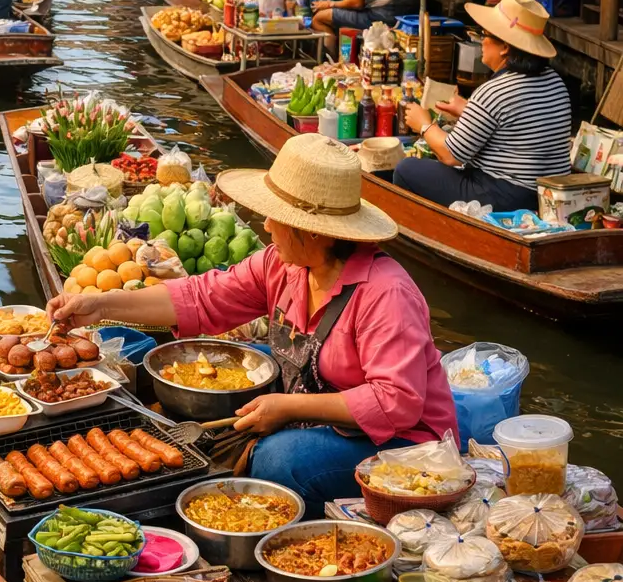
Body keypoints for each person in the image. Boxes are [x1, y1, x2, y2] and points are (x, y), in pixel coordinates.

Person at [48, 133, 456, 517]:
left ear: (312, 232)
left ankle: (301, 518)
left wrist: (288, 407)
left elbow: (396, 401)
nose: (265, 226)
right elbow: (200, 296)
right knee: (171, 355)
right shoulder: (283, 264)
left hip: (400, 442)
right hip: (314, 392)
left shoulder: (385, 293)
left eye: (275, 219)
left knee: (279, 459)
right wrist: (100, 305)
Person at [399, 0, 571, 212]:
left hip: (506, 194)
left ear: (505, 47)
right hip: (543, 192)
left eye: (484, 35)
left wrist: (423, 124)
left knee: (407, 169)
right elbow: (515, 125)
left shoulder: (495, 90)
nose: (480, 41)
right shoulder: (555, 81)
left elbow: (450, 155)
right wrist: (468, 110)